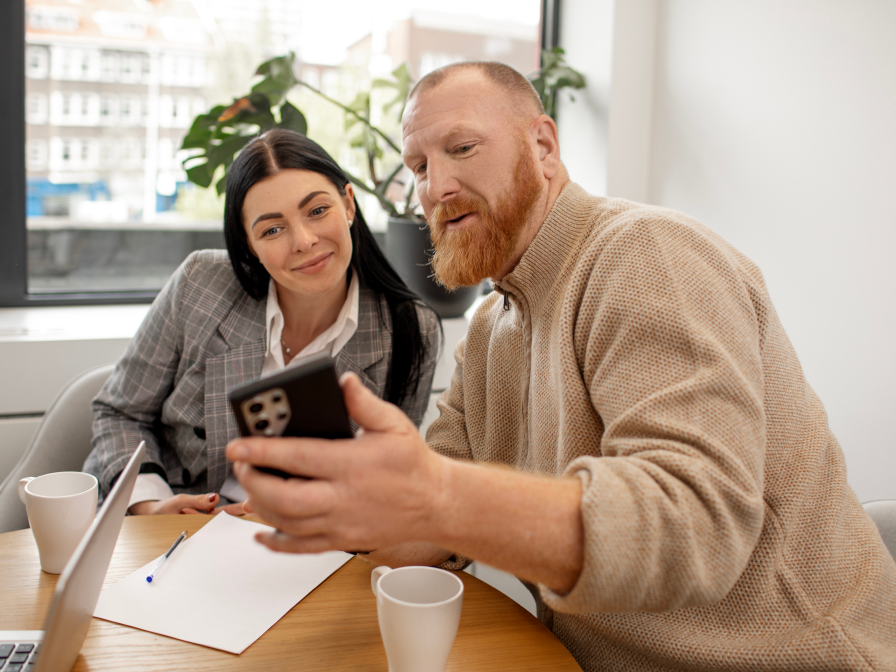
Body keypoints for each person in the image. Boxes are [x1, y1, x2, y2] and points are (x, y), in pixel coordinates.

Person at [225, 64, 896, 670]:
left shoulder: (646, 255)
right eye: (419, 167)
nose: (438, 187)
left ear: (543, 146)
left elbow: (696, 524)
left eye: (461, 149)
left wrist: (437, 495)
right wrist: (329, 512)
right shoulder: (492, 328)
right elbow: (427, 527)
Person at [84, 129, 440, 515]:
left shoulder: (410, 330)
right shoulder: (200, 283)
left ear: (349, 204)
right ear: (249, 246)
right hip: (175, 531)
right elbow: (121, 413)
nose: (303, 241)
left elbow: (388, 481)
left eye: (318, 210)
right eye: (272, 229)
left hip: (310, 546)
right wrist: (151, 508)